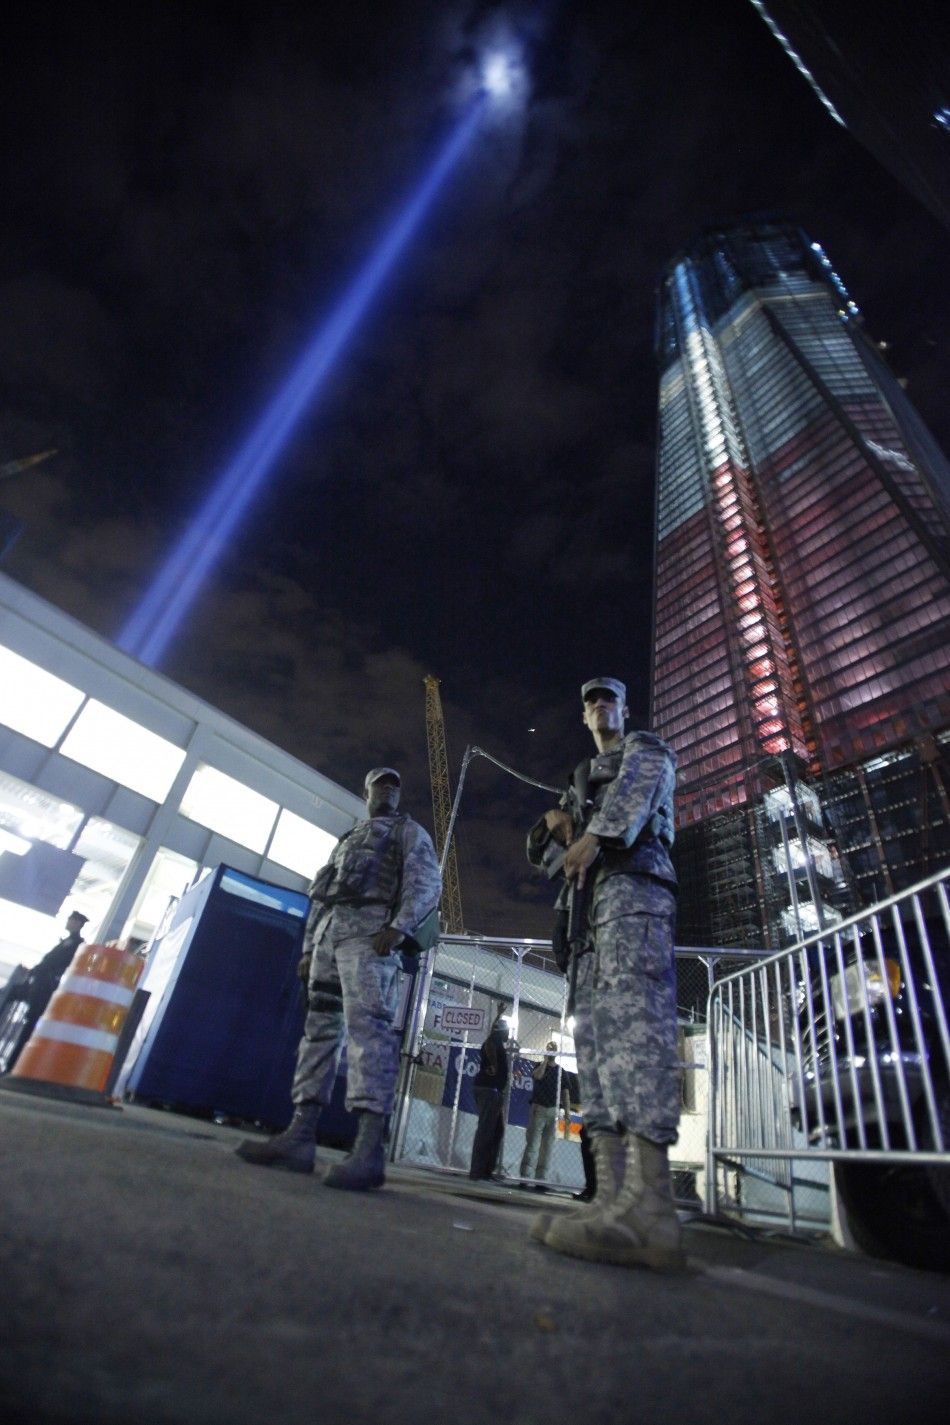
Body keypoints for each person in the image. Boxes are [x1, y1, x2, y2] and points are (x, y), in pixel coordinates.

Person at [526, 678, 684, 1271]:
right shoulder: (579, 782)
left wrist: (590, 835)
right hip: (588, 916)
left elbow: (640, 794)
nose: (599, 706)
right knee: (594, 1048)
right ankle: (613, 1201)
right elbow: (546, 858)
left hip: (633, 892)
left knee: (634, 1036)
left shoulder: (644, 748)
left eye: (609, 698)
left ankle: (653, 1209)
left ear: (624, 708)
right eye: (590, 700)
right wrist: (554, 826)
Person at [236, 767, 441, 1191]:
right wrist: (311, 947)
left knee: (370, 1033)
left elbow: (427, 883)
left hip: (371, 938)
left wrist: (399, 928)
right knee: (319, 1032)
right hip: (333, 938)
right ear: (365, 792)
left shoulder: (409, 832)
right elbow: (324, 893)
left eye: (394, 785)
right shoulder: (349, 839)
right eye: (380, 784)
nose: (388, 789)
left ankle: (368, 1150)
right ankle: (300, 1136)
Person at [5, 911, 88, 1071]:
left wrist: (39, 972)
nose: (68, 922)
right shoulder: (69, 941)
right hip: (39, 985)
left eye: (71, 920)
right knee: (12, 996)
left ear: (78, 923)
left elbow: (54, 965)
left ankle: (14, 1064)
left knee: (31, 1025)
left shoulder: (76, 943)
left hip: (44, 989)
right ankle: (13, 1064)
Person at [519, 1040, 571, 1187]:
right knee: (533, 1144)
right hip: (539, 1109)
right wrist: (545, 1061)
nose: (551, 1051)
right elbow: (538, 1076)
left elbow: (566, 1093)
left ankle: (541, 1178)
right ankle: (525, 1176)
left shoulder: (561, 1072)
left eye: (553, 1049)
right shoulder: (539, 1067)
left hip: (553, 1111)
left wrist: (567, 1113)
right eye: (549, 1049)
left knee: (547, 1146)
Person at [468, 1013, 510, 1180]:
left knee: (496, 1130)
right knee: (486, 1131)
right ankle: (478, 1171)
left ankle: (486, 1169)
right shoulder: (493, 1042)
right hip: (489, 1090)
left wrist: (498, 1014)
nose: (509, 1035)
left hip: (493, 1091)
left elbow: (493, 1032)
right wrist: (493, 1064)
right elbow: (489, 1046)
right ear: (502, 1032)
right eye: (507, 1031)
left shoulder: (496, 1039)